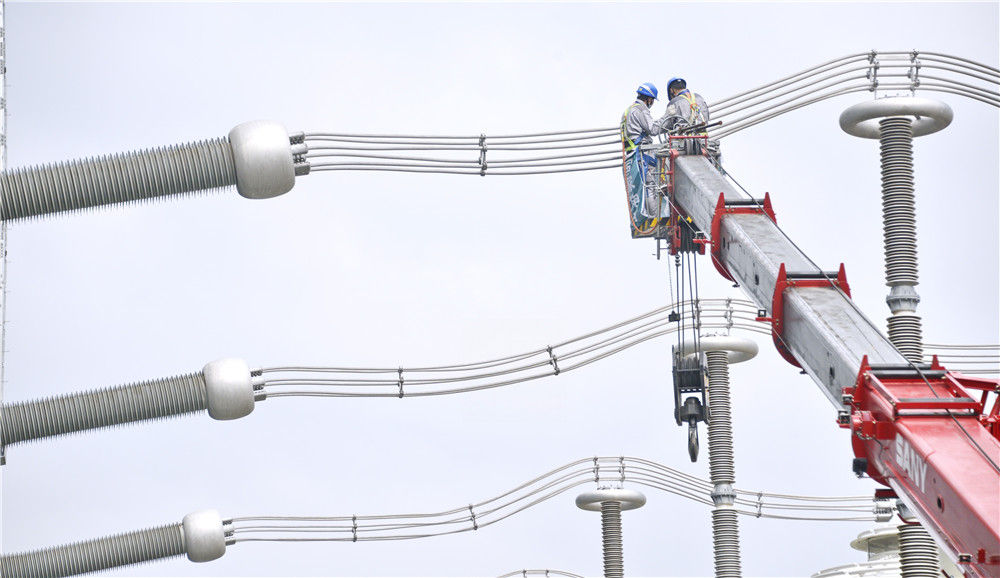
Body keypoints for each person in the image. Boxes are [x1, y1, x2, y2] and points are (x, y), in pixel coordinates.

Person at [620, 82, 670, 234]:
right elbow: (653, 129)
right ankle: (655, 217)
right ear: (649, 99)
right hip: (642, 152)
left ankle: (653, 215)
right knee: (651, 185)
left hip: (632, 153)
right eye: (652, 101)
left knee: (647, 186)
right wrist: (667, 118)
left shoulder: (629, 110)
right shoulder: (642, 110)